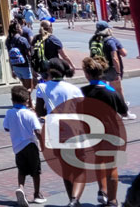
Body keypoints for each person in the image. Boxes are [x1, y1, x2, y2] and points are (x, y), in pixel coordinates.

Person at [34, 59, 85, 206]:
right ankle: (75, 200)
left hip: (54, 129)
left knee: (66, 167)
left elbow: (39, 111)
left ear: (49, 71)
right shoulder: (74, 89)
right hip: (73, 128)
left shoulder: (42, 88)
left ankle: (71, 200)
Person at [83, 55, 129, 207]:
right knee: (112, 165)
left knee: (98, 162)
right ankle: (112, 200)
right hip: (112, 133)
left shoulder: (82, 92)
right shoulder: (111, 91)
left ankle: (102, 191)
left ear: (87, 74)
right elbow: (123, 111)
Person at [4, 84, 45, 207]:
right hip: (30, 144)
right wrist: (42, 144)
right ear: (27, 101)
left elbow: (6, 128)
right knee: (36, 171)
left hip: (17, 147)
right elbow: (38, 131)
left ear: (12, 100)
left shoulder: (9, 113)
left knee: (21, 169)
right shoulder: (30, 114)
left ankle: (21, 188)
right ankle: (37, 194)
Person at [91, 21, 136, 118]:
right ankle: (125, 112)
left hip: (99, 68)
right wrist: (118, 72)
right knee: (118, 90)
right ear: (108, 29)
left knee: (104, 89)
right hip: (111, 68)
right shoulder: (111, 40)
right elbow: (120, 55)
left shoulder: (94, 40)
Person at [6, 20, 34, 91]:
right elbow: (29, 55)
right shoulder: (22, 40)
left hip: (16, 67)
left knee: (25, 86)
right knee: (29, 88)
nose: (22, 30)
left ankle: (28, 102)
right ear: (18, 29)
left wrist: (12, 70)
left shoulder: (8, 40)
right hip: (25, 66)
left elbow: (9, 56)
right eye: (21, 28)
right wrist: (33, 68)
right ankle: (26, 101)